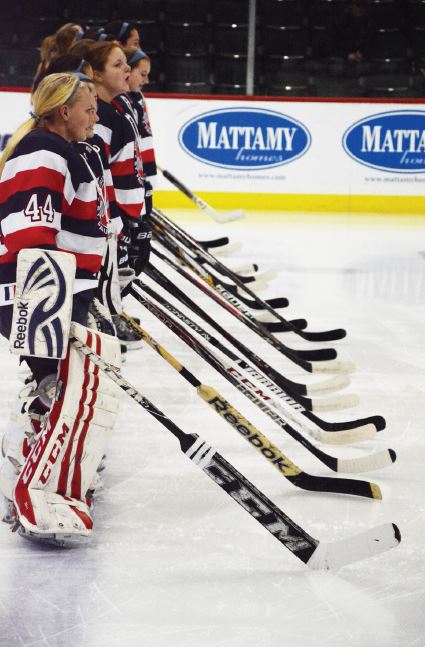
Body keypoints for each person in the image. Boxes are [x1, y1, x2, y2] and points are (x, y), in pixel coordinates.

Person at [0, 73, 120, 544]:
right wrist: (53, 309)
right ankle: (32, 487)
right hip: (40, 292)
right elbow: (32, 238)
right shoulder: (44, 151)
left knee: (60, 389)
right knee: (56, 391)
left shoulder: (57, 149)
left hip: (63, 290)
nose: (96, 116)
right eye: (88, 109)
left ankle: (42, 479)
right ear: (62, 111)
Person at [85, 41, 147, 348]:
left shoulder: (115, 109)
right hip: (108, 224)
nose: (128, 70)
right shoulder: (99, 117)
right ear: (96, 74)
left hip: (117, 222)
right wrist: (122, 219)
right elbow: (99, 175)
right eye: (118, 64)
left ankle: (110, 319)